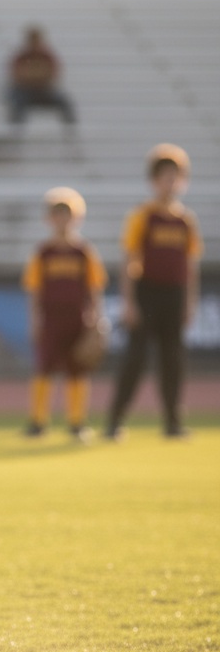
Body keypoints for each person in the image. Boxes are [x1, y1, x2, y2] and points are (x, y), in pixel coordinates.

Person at [105, 144, 203, 440]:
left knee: (172, 358)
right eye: (164, 176)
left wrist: (189, 302)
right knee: (135, 358)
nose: (170, 183)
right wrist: (129, 301)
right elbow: (129, 259)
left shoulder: (186, 221)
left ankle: (172, 422)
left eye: (175, 177)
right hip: (147, 293)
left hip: (174, 294)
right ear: (154, 180)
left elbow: (190, 265)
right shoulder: (143, 216)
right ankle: (115, 421)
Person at [21, 187, 107, 442]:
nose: (62, 220)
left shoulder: (84, 252)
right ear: (49, 219)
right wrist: (34, 319)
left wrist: (97, 320)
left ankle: (76, 422)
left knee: (77, 370)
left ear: (76, 218)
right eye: (56, 215)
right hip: (50, 318)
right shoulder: (43, 253)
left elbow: (95, 287)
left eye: (66, 215)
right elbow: (34, 289)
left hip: (78, 318)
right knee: (44, 369)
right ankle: (38, 421)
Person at [7, 26, 77, 127]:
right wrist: (36, 78)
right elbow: (17, 76)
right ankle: (16, 129)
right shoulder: (22, 57)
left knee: (64, 101)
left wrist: (33, 78)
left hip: (44, 90)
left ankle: (71, 129)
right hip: (25, 91)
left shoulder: (47, 56)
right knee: (16, 101)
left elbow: (52, 75)